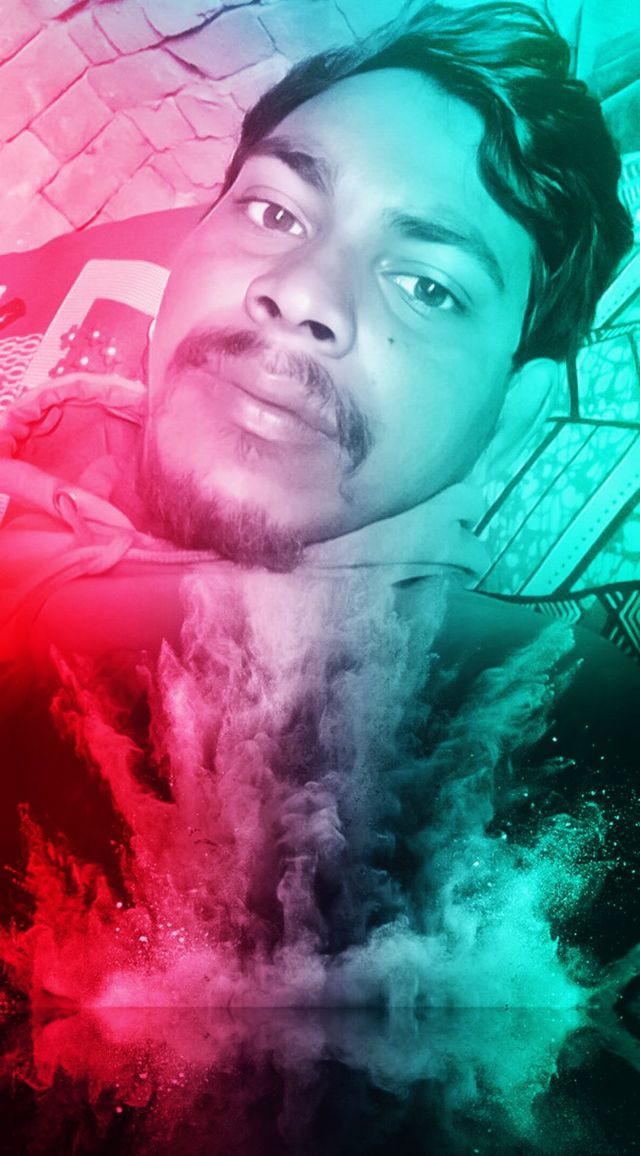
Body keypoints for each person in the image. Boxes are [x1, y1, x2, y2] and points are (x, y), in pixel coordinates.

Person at [0, 2, 638, 1010]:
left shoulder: (552, 728)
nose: (301, 293)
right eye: (275, 213)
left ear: (511, 415)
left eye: (427, 287)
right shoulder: (42, 467)